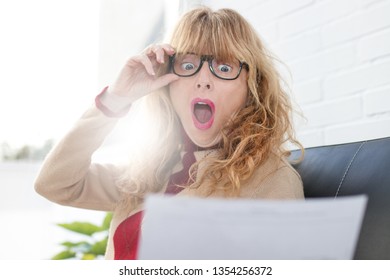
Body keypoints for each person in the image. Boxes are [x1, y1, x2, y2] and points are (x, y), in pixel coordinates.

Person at [35, 6, 304, 260]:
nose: (203, 80)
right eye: (188, 65)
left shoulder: (271, 178)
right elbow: (55, 184)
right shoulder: (149, 171)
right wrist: (116, 99)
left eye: (224, 68)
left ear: (253, 86)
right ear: (168, 84)